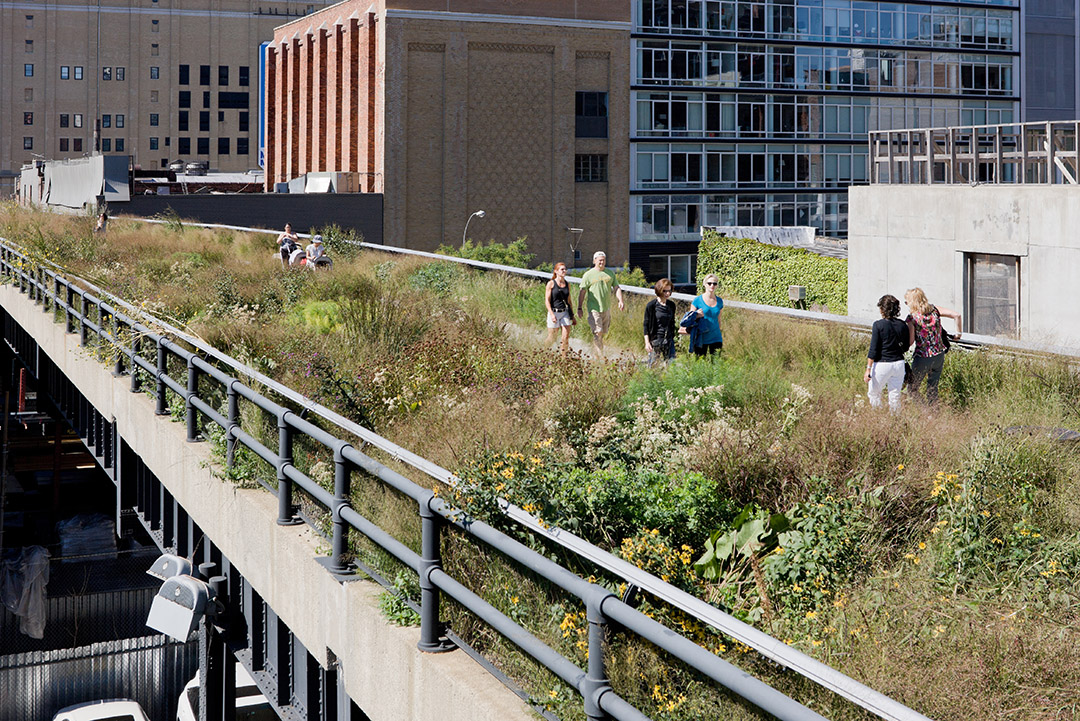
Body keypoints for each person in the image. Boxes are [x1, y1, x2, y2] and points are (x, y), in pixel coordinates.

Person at [904, 287, 962, 404]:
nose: (906, 304)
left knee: (912, 389)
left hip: (922, 357)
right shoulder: (935, 310)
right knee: (932, 388)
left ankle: (926, 413)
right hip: (939, 355)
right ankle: (934, 413)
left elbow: (910, 342)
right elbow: (957, 315)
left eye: (906, 301)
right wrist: (958, 334)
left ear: (912, 302)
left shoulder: (912, 319)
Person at [865, 294, 910, 413]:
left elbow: (873, 349)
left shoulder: (878, 325)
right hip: (899, 364)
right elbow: (906, 347)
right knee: (895, 396)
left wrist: (868, 369)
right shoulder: (903, 325)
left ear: (882, 309)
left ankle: (878, 417)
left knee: (874, 393)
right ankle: (895, 420)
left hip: (882, 364)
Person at [577, 251, 624, 359]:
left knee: (602, 333)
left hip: (606, 308)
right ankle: (600, 356)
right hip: (594, 308)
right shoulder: (588, 275)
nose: (602, 262)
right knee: (598, 332)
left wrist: (620, 301)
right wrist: (579, 307)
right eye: (600, 260)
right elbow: (582, 291)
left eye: (603, 260)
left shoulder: (610, 273)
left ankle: (595, 354)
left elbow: (616, 287)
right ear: (594, 261)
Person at [685, 273, 723, 357]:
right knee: (700, 364)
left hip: (716, 337)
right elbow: (689, 319)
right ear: (704, 285)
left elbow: (719, 319)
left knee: (716, 365)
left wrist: (719, 331)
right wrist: (697, 315)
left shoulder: (720, 301)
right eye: (709, 283)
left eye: (714, 283)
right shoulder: (697, 300)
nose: (712, 285)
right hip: (701, 338)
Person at [643, 278, 676, 366]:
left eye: (669, 291)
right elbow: (646, 324)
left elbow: (672, 323)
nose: (667, 293)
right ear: (659, 290)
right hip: (655, 339)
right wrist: (647, 342)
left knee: (672, 366)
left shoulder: (671, 305)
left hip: (668, 339)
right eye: (665, 291)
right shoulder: (651, 306)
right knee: (653, 366)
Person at [545, 262, 576, 355]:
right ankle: (543, 351)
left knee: (565, 337)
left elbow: (569, 301)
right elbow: (547, 300)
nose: (564, 271)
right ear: (556, 271)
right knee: (552, 337)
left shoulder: (567, 284)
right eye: (562, 269)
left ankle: (564, 359)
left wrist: (572, 315)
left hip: (564, 312)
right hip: (554, 312)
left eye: (565, 269)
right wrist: (551, 314)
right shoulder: (551, 284)